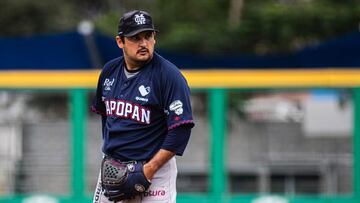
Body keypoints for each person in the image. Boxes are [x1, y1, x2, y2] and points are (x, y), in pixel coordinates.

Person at [91, 10, 194, 203]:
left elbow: (181, 129)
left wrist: (149, 169)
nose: (144, 43)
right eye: (135, 38)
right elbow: (106, 117)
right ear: (120, 42)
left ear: (154, 37)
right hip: (113, 169)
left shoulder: (169, 76)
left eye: (148, 36)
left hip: (155, 171)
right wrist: (110, 156)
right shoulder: (109, 72)